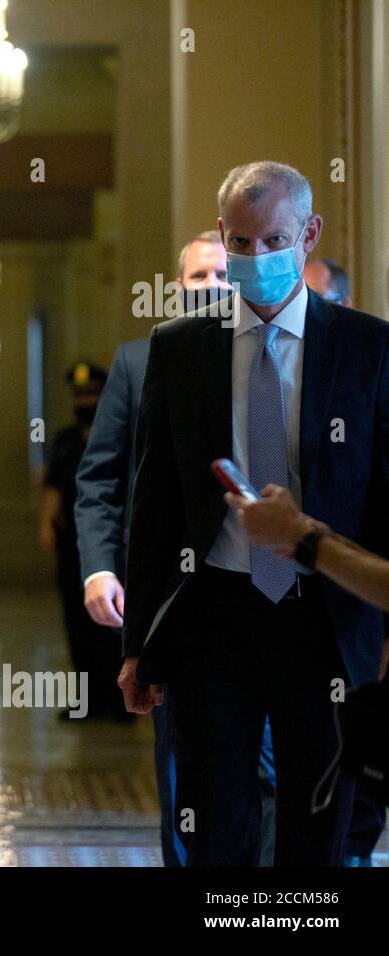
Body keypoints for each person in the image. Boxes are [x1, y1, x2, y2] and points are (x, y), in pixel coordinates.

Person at [121, 161, 389, 866]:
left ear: (309, 235)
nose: (254, 258)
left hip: (328, 618)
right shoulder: (180, 348)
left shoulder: (368, 349)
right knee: (215, 824)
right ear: (221, 235)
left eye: (273, 241)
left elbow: (384, 498)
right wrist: (137, 645)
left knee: (319, 826)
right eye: (239, 244)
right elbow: (155, 505)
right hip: (216, 615)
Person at [74, 231, 277, 865]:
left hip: (274, 592)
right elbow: (100, 476)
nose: (212, 286)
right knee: (186, 770)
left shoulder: (277, 353)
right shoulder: (142, 361)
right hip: (178, 601)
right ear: (177, 287)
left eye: (223, 273)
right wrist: (101, 569)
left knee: (271, 768)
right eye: (197, 277)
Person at [39, 360, 128, 721]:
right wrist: (46, 523)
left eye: (91, 393)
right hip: (72, 541)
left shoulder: (120, 432)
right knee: (77, 621)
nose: (84, 400)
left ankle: (120, 700)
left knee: (113, 620)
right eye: (80, 394)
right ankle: (88, 699)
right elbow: (53, 486)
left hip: (112, 543)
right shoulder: (65, 439)